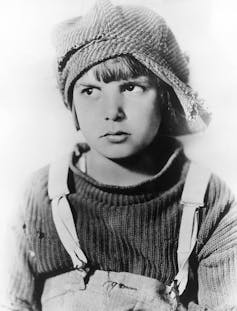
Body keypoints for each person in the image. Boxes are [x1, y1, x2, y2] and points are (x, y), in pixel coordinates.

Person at [2, 0, 237, 310]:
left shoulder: (211, 200)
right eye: (90, 91)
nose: (112, 112)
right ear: (71, 109)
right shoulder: (37, 196)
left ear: (166, 97)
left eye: (131, 87)